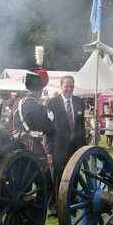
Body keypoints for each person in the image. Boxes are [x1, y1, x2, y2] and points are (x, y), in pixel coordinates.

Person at [46, 75, 87, 214]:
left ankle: (71, 206)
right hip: (58, 146)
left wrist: (84, 148)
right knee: (57, 177)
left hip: (75, 147)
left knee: (74, 176)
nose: (69, 89)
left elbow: (82, 127)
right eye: (66, 86)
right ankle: (55, 208)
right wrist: (49, 151)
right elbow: (48, 129)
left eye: (71, 86)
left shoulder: (79, 102)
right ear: (61, 86)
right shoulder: (51, 103)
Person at [12, 67, 56, 182]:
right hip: (33, 147)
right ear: (41, 88)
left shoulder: (17, 103)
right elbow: (49, 129)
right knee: (46, 183)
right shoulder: (37, 107)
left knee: (23, 180)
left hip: (16, 146)